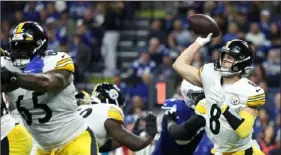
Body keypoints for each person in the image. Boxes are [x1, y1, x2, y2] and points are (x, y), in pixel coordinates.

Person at [1, 21, 98, 155]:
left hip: (75, 139)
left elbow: (48, 82)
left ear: (39, 45)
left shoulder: (56, 60)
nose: (19, 52)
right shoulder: (7, 65)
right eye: (15, 47)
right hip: (42, 148)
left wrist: (15, 78)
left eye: (25, 46)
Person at [173, 34, 265, 154]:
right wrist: (198, 43)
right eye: (225, 55)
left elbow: (244, 131)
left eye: (231, 57)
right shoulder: (210, 75)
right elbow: (178, 65)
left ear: (242, 62)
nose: (225, 59)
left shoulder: (248, 90)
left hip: (242, 152)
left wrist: (224, 107)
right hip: (219, 151)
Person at [77, 82, 158, 152]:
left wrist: (129, 136)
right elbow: (136, 145)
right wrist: (150, 135)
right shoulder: (107, 110)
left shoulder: (81, 108)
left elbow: (103, 146)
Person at [152, 80, 206, 155]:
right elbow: (181, 139)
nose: (200, 100)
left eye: (203, 96)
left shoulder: (208, 108)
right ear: (185, 94)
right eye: (195, 96)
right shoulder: (177, 107)